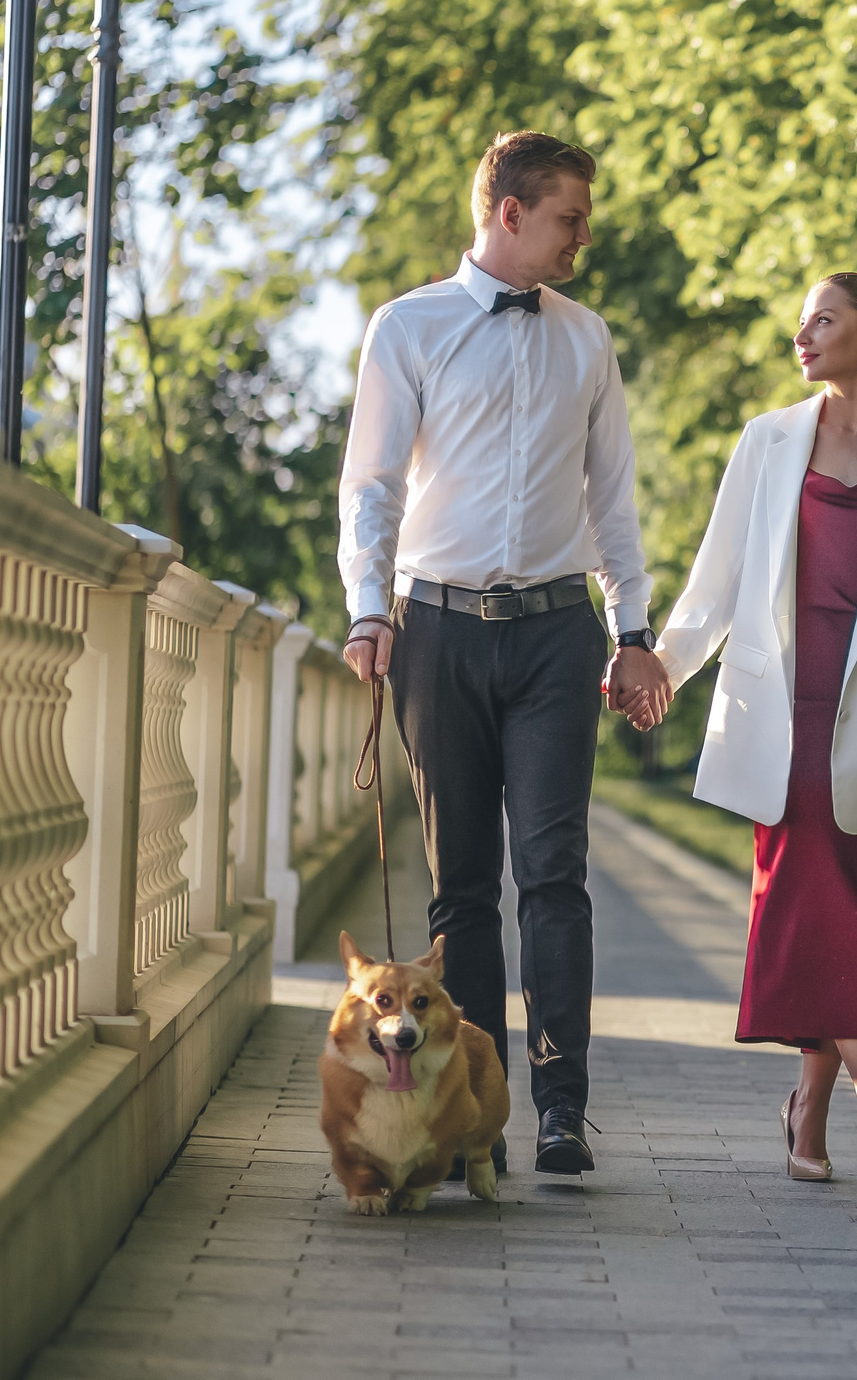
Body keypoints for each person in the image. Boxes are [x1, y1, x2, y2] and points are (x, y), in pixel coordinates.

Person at [335, 131, 672, 1177]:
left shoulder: (588, 338)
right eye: (570, 215)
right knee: (461, 888)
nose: (582, 236)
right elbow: (373, 483)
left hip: (556, 636)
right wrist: (366, 609)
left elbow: (611, 500)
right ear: (510, 210)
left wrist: (633, 632)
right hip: (436, 631)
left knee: (554, 874)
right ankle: (470, 1107)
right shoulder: (410, 326)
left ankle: (563, 1105)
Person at [654, 272, 857, 1181]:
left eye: (822, 319)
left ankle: (809, 1108)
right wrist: (662, 668)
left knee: (856, 906)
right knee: (810, 894)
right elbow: (718, 576)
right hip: (778, 710)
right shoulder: (769, 439)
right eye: (801, 321)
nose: (803, 333)